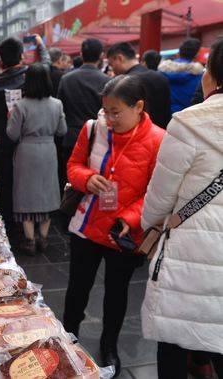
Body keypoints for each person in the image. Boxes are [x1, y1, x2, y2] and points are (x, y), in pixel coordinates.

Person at [63, 75, 165, 377]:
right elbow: (73, 165)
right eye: (105, 110)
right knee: (77, 288)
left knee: (116, 293)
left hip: (122, 232)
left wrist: (131, 217)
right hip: (87, 224)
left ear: (139, 107)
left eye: (116, 111)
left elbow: (157, 191)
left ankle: (109, 345)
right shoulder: (93, 129)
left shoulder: (158, 140)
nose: (109, 118)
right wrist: (85, 178)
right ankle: (67, 337)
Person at [141, 38, 223, 379]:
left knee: (173, 334)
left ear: (213, 76)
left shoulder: (189, 122)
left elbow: (162, 194)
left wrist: (149, 225)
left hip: (190, 245)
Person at [0, 36, 50, 240]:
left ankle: (9, 227)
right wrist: (40, 45)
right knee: (32, 183)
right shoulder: (32, 76)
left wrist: (1, 131)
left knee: (6, 183)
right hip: (31, 140)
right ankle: (33, 226)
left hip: (5, 143)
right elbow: (46, 63)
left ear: (1, 61)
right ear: (22, 56)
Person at [6, 63, 67, 255]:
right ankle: (44, 239)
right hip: (48, 151)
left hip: (27, 152)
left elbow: (12, 135)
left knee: (26, 195)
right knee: (47, 193)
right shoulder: (57, 104)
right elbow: (62, 130)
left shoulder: (20, 105)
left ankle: (30, 240)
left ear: (27, 81)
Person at [57, 38, 110, 192]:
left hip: (72, 137)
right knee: (96, 182)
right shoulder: (107, 81)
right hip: (99, 139)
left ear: (81, 54)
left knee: (71, 180)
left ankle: (68, 211)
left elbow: (62, 109)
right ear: (101, 55)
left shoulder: (66, 79)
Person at [107, 42, 171, 128]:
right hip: (161, 133)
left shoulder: (124, 83)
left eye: (111, 64)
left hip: (136, 135)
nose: (112, 69)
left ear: (119, 58)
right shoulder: (161, 77)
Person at [159, 38, 204, 113]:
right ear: (196, 54)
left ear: (179, 52)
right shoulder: (199, 74)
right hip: (188, 114)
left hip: (165, 113)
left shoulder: (163, 71)